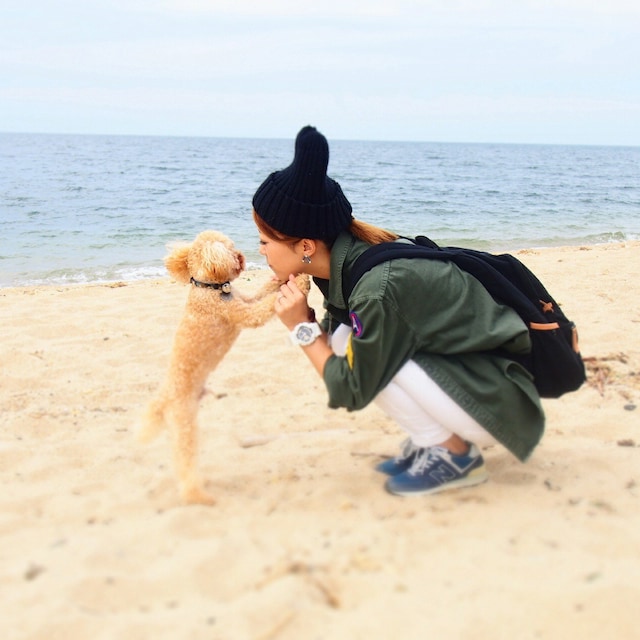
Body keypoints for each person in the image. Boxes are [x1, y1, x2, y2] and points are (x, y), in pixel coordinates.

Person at [252, 125, 545, 497]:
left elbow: (351, 389)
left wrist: (301, 329)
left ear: (306, 246)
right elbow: (341, 346)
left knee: (364, 355)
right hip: (477, 373)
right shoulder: (348, 257)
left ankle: (455, 455)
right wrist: (310, 320)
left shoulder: (376, 287)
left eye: (265, 241)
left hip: (500, 400)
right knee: (344, 339)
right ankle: (433, 441)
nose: (260, 251)